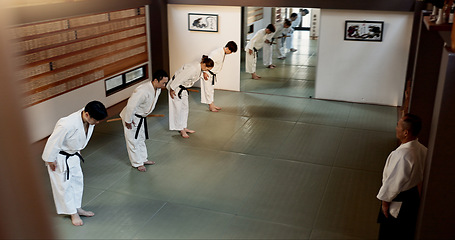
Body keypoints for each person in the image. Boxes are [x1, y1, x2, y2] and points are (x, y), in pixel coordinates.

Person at [42, 101, 108, 226]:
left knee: (77, 182)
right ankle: (72, 213)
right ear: (87, 114)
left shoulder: (88, 119)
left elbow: (79, 138)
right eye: (96, 120)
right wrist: (50, 160)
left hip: (73, 155)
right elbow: (53, 142)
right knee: (64, 187)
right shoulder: (66, 124)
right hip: (59, 159)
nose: (97, 123)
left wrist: (78, 149)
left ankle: (77, 207)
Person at [376, 113, 427, 240]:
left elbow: (392, 184)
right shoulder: (422, 149)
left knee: (391, 234)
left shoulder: (403, 156)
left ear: (406, 132)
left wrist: (385, 204)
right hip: (412, 197)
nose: (396, 128)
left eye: (398, 125)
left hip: (399, 202)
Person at [119, 70, 169, 172]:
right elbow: (131, 106)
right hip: (132, 117)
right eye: (163, 82)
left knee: (141, 138)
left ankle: (143, 159)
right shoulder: (143, 91)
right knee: (132, 140)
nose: (164, 85)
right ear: (156, 80)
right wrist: (128, 120)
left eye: (165, 83)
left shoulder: (157, 89)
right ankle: (137, 163)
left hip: (141, 117)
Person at [168, 55, 214, 138]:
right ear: (204, 64)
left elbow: (199, 72)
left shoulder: (199, 66)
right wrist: (172, 88)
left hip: (183, 89)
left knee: (185, 108)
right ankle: (181, 129)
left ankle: (184, 127)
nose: (207, 71)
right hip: (176, 88)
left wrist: (204, 73)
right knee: (178, 109)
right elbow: (180, 78)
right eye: (207, 69)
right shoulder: (193, 69)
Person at [201, 41, 237, 112]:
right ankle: (211, 106)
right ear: (227, 48)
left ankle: (212, 104)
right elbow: (206, 62)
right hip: (207, 73)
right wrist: (204, 72)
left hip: (212, 74)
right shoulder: (216, 53)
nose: (230, 53)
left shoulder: (222, 53)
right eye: (231, 51)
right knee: (208, 90)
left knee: (211, 90)